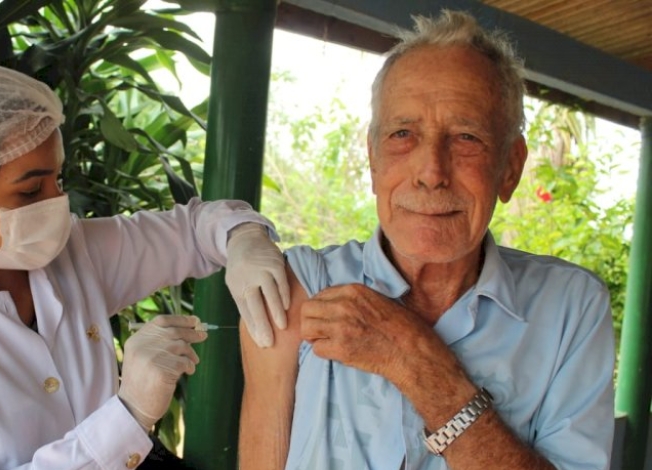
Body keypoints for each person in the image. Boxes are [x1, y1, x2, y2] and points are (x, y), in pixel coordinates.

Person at [0, 60, 291, 469]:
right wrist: (127, 416)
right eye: (30, 192)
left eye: (59, 179)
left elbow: (193, 229)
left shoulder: (72, 254)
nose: (57, 205)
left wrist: (242, 238)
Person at [239, 10, 615, 470]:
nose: (432, 172)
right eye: (403, 134)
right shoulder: (300, 284)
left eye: (466, 137)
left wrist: (414, 362)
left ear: (510, 168)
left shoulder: (569, 309)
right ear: (374, 159)